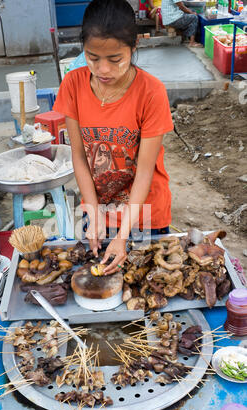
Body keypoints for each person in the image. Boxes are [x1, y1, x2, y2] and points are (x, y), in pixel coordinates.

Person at [53, 0, 174, 275]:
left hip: (146, 212)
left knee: (144, 285)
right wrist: (93, 213)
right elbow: (80, 157)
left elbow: (144, 173)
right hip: (97, 207)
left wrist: (121, 237)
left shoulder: (151, 92)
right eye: (93, 58)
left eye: (115, 59)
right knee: (93, 282)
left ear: (133, 48)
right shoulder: (72, 84)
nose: (103, 69)